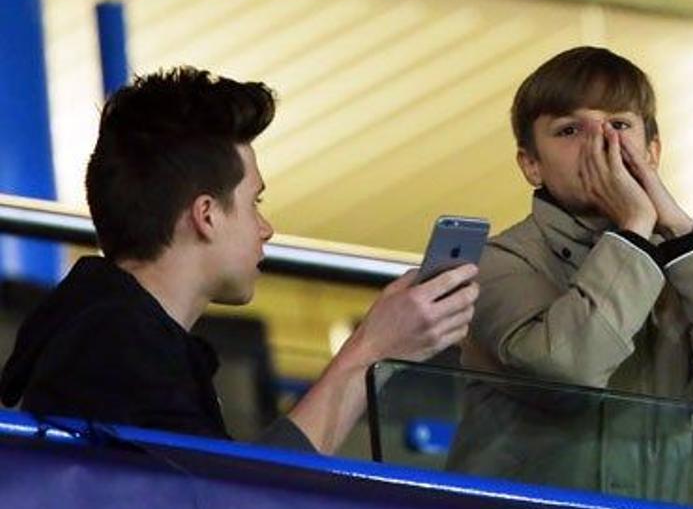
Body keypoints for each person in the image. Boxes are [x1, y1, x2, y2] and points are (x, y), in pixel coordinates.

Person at [0, 67, 478, 454]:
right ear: (206, 215)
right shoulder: (116, 343)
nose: (265, 229)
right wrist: (370, 349)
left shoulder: (93, 331)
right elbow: (231, 507)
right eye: (255, 203)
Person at [448, 46, 693, 497]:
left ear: (652, 151)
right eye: (570, 129)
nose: (602, 145)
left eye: (619, 125)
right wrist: (635, 226)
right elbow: (569, 371)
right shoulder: (496, 260)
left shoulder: (682, 266)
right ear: (530, 164)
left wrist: (679, 229)